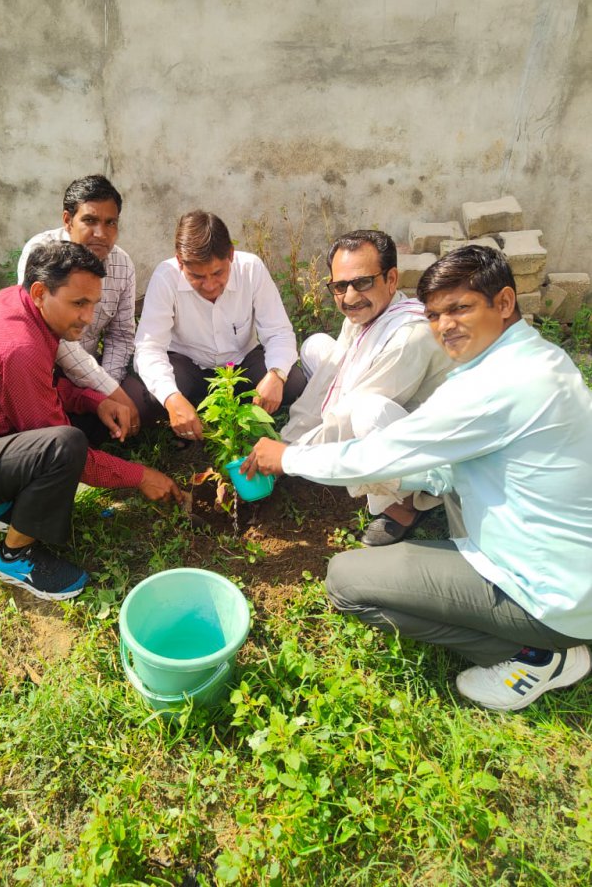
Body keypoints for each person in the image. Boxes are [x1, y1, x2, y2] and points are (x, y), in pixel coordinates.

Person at [243, 245, 592, 711]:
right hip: (563, 561)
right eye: (435, 314)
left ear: (504, 303)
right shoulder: (538, 358)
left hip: (546, 591)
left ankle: (537, 655)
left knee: (346, 580)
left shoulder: (493, 388)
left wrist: (287, 458)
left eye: (460, 308)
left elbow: (377, 455)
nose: (445, 325)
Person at [0, 241, 183, 602]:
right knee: (65, 445)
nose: (87, 317)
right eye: (78, 303)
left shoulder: (17, 304)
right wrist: (141, 476)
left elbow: (41, 388)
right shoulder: (18, 346)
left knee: (71, 431)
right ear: (40, 292)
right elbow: (62, 451)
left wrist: (92, 400)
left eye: (93, 303)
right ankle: (15, 557)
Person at [282, 230, 451, 545]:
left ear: (391, 279)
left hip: (435, 441)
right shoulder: (363, 314)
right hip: (388, 396)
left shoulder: (410, 337)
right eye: (339, 286)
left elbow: (349, 413)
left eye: (362, 282)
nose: (349, 297)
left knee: (367, 414)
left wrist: (285, 460)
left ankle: (405, 503)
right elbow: (326, 380)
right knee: (315, 346)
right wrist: (288, 440)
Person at [125, 210, 306, 441]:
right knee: (154, 397)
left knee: (293, 383)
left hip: (241, 363)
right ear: (180, 263)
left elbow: (278, 331)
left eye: (218, 273)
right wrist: (172, 397)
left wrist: (276, 374)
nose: (209, 285)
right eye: (197, 276)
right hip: (188, 366)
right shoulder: (165, 277)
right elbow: (148, 348)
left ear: (231, 254)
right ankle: (194, 406)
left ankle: (226, 406)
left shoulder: (251, 268)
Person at [17, 174, 139, 434]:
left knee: (142, 402)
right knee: (62, 433)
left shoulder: (122, 264)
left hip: (91, 373)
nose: (101, 234)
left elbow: (121, 336)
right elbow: (59, 344)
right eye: (90, 220)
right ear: (67, 220)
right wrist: (112, 393)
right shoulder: (42, 253)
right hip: (47, 371)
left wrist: (108, 391)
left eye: (110, 223)